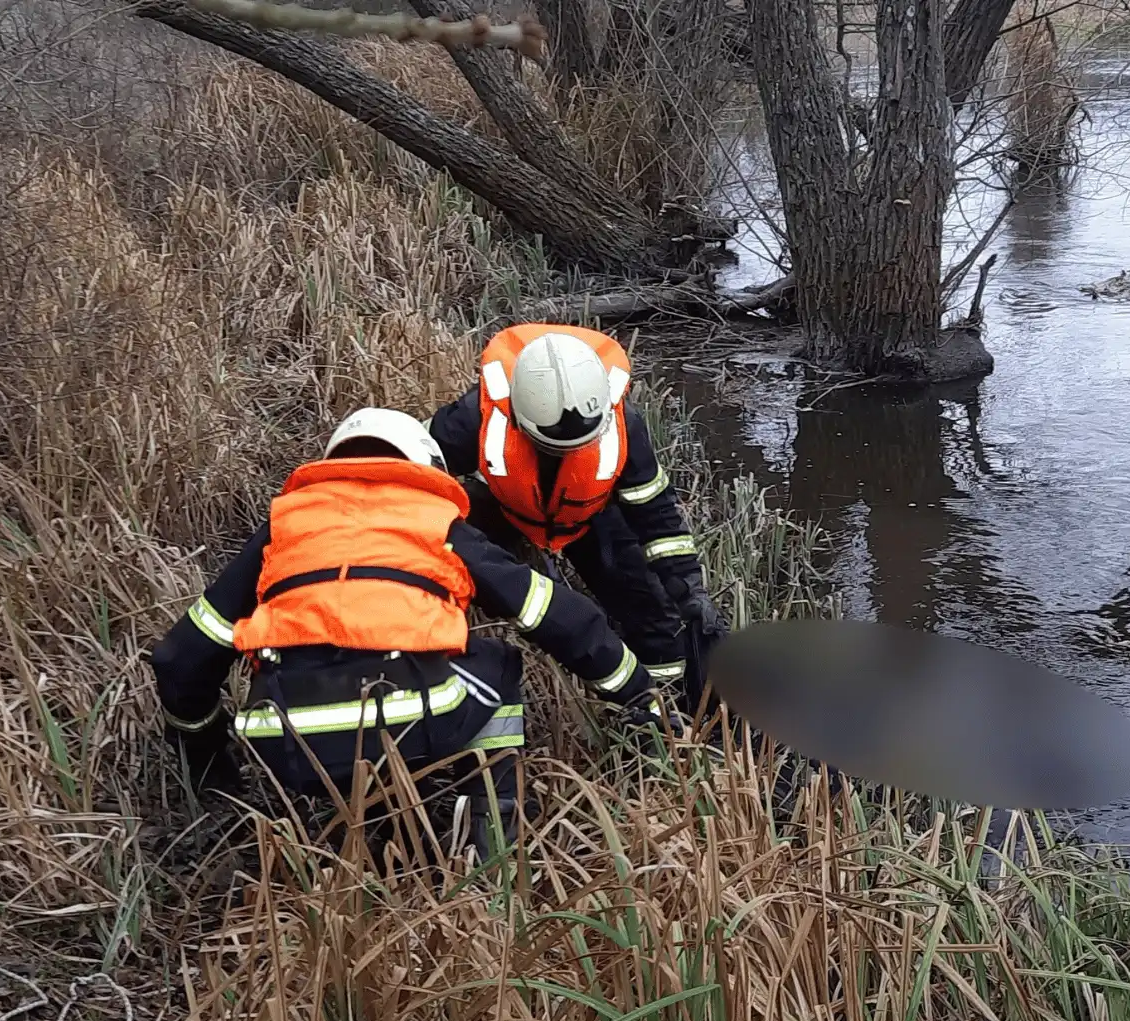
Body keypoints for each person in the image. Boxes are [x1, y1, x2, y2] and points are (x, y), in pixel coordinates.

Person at [146, 407, 659, 859]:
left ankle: (347, 810)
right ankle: (493, 845)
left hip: (283, 741)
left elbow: (180, 660)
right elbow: (556, 616)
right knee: (499, 666)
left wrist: (212, 776)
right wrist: (641, 694)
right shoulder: (435, 522)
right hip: (411, 723)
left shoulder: (284, 530)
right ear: (426, 468)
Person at [425, 322, 728, 713]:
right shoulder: (477, 417)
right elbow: (412, 468)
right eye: (551, 448)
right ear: (519, 418)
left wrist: (690, 589)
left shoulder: (623, 426)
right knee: (449, 561)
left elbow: (656, 516)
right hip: (502, 508)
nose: (565, 456)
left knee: (653, 616)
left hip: (589, 517)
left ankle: (660, 712)